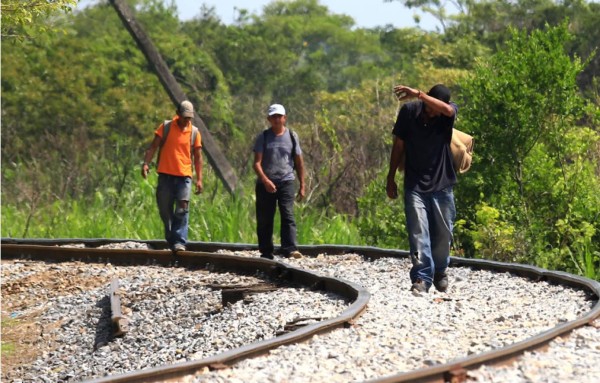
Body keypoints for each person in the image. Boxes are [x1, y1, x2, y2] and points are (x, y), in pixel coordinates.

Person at [386, 84, 458, 293]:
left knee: (444, 233)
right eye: (429, 107)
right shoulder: (409, 112)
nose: (432, 112)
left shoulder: (447, 114)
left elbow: (448, 110)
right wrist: (391, 177)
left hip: (442, 184)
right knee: (418, 232)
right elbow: (398, 145)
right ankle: (421, 278)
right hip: (415, 184)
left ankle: (440, 272)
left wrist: (419, 94)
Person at [141, 100, 203, 252]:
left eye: (189, 118)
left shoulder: (195, 132)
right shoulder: (166, 127)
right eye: (184, 117)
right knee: (165, 209)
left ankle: (179, 242)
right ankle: (171, 237)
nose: (186, 120)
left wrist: (199, 179)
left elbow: (198, 157)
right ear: (177, 114)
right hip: (166, 175)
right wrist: (146, 163)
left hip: (184, 177)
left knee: (182, 208)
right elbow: (153, 146)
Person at [253, 103, 306, 259]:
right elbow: (256, 163)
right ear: (269, 119)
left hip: (286, 181)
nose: (277, 120)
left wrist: (302, 185)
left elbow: (299, 162)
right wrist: (265, 180)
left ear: (285, 118)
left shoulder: (292, 136)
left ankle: (290, 248)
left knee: (287, 214)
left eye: (279, 116)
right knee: (265, 218)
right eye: (274, 117)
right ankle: (266, 251)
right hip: (265, 183)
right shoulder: (263, 137)